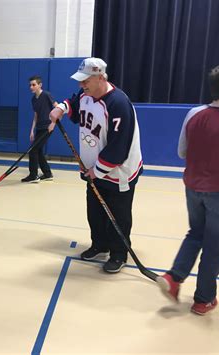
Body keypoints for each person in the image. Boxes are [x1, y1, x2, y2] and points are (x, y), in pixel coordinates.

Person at [49, 57, 143, 273]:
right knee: (95, 211)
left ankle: (119, 253)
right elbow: (73, 102)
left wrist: (97, 170)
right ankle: (100, 244)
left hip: (118, 173)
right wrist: (61, 109)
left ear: (101, 77)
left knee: (118, 215)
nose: (81, 85)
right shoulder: (86, 95)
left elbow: (119, 148)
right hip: (93, 172)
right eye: (80, 81)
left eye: (86, 81)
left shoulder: (119, 104)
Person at [157, 64, 219, 315]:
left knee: (196, 233)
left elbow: (182, 152)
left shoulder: (193, 114)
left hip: (193, 187)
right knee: (215, 246)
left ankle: (174, 277)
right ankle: (203, 299)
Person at [21, 75, 57, 183]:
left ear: (40, 85)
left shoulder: (46, 95)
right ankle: (47, 173)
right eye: (30, 85)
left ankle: (33, 175)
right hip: (39, 128)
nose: (31, 87)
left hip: (47, 127)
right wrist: (32, 130)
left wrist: (53, 124)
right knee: (39, 151)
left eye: (33, 85)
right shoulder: (33, 99)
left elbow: (58, 107)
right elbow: (36, 116)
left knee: (33, 150)